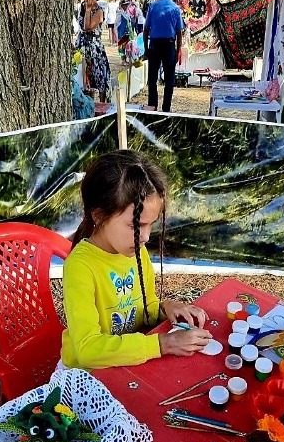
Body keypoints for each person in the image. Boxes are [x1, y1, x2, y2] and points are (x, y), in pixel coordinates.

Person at [61, 150, 211, 371]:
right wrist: (163, 344)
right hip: (87, 373)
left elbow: (143, 308)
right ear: (99, 216)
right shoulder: (80, 267)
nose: (146, 237)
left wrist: (166, 308)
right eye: (137, 225)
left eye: (151, 224)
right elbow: (88, 350)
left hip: (128, 361)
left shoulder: (136, 250)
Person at [143, 0, 184, 112]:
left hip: (154, 44)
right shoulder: (175, 8)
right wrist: (178, 50)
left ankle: (152, 107)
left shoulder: (153, 6)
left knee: (152, 78)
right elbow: (179, 32)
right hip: (169, 45)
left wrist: (146, 48)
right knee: (169, 78)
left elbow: (146, 29)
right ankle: (166, 108)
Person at [76, 0, 111, 102]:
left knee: (99, 77)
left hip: (94, 48)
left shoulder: (99, 10)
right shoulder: (82, 7)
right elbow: (81, 26)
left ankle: (102, 104)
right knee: (82, 77)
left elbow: (88, 27)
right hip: (82, 45)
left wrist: (88, 10)